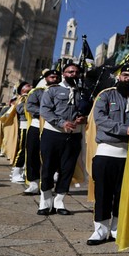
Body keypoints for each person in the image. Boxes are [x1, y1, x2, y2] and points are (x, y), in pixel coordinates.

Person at [87, 65, 129, 245]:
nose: (128, 78)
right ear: (119, 77)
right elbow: (100, 119)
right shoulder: (106, 95)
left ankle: (118, 229)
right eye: (125, 75)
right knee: (103, 193)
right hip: (107, 152)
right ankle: (100, 230)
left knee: (123, 195)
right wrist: (125, 130)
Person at [38, 63, 88, 216]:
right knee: (48, 168)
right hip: (53, 134)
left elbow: (89, 112)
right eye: (70, 71)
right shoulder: (52, 90)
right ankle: (45, 201)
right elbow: (45, 110)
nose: (73, 74)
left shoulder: (83, 93)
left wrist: (83, 119)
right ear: (64, 73)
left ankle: (59, 201)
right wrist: (62, 122)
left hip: (73, 136)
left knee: (67, 169)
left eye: (76, 72)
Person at [24, 70, 61, 195]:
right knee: (33, 154)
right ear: (46, 78)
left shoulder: (62, 92)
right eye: (52, 77)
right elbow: (29, 106)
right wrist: (45, 112)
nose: (55, 79)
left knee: (51, 156)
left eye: (57, 77)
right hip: (36, 125)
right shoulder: (37, 92)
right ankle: (33, 183)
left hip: (53, 127)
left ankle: (49, 183)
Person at [10, 82, 32, 184]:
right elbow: (20, 109)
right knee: (22, 150)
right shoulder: (22, 98)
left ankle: (23, 171)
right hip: (24, 125)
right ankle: (16, 173)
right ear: (22, 89)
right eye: (28, 86)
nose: (31, 87)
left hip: (30, 125)